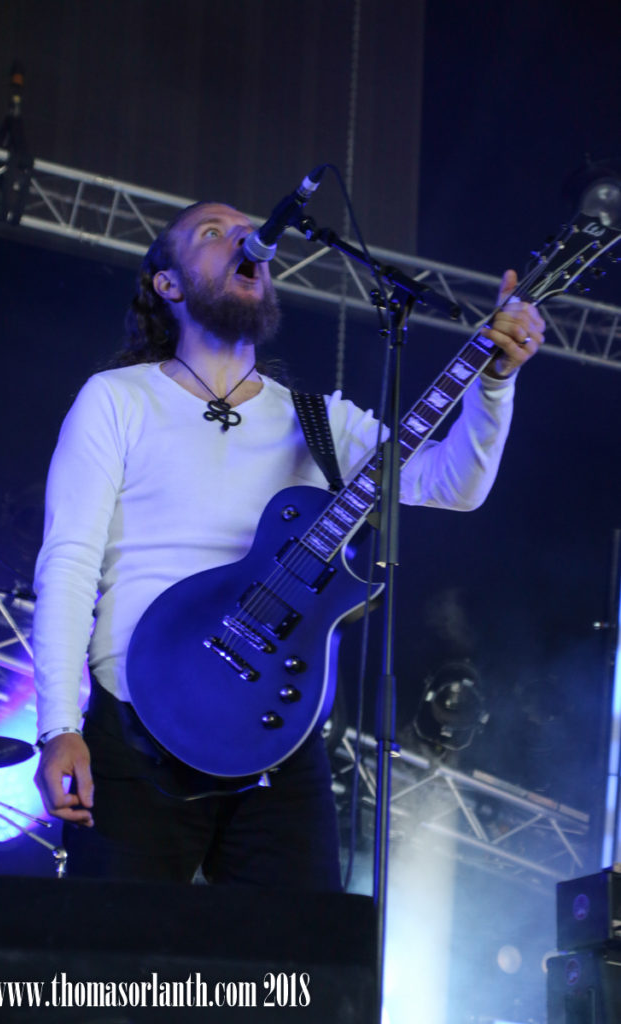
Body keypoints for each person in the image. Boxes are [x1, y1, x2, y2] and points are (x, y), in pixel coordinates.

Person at [33, 200, 545, 889]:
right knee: (121, 950)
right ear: (168, 284)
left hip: (278, 729)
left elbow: (452, 484)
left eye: (248, 228)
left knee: (300, 952)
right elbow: (68, 563)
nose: (245, 237)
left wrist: (494, 383)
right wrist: (58, 726)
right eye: (213, 232)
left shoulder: (316, 419)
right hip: (136, 720)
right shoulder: (116, 399)